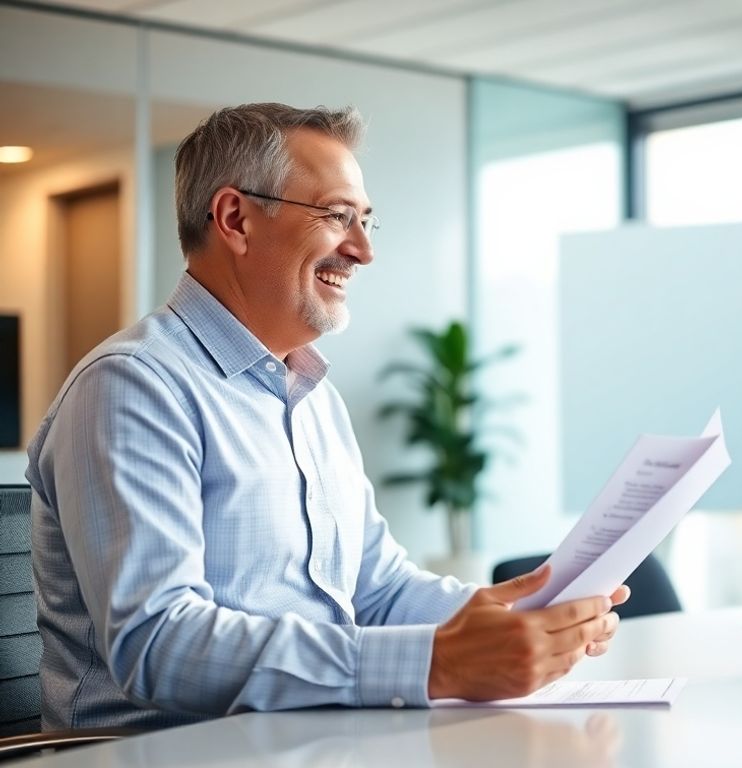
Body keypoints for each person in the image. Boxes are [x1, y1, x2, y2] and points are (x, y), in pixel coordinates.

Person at [26, 103, 626, 731]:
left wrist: (514, 618)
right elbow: (159, 643)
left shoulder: (311, 396)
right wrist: (432, 663)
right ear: (235, 219)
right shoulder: (133, 386)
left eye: (366, 221)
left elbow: (378, 590)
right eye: (338, 217)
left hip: (311, 741)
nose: (363, 250)